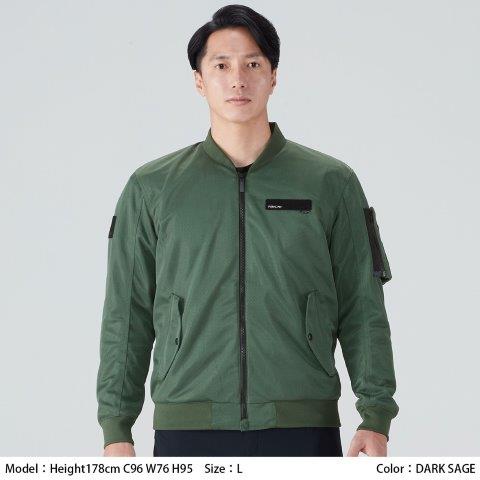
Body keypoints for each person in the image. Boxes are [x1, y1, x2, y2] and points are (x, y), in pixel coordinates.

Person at [96, 4, 399, 458]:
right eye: (221, 65)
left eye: (253, 64)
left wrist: (375, 415)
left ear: (273, 77)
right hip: (188, 424)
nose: (237, 79)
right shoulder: (152, 188)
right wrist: (116, 428)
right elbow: (127, 312)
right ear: (199, 80)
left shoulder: (329, 182)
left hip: (303, 423)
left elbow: (362, 301)